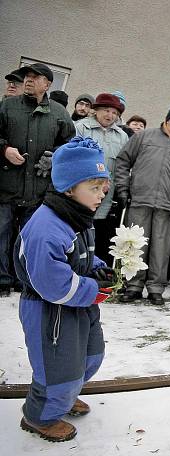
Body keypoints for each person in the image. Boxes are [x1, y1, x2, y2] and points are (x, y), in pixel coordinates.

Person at [15, 136, 115, 442]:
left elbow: (80, 255)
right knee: (58, 370)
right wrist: (94, 289)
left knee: (89, 356)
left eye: (103, 188)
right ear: (69, 187)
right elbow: (52, 283)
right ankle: (40, 416)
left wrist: (99, 269)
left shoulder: (77, 216)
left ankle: (65, 396)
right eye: (93, 188)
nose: (101, 196)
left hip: (78, 305)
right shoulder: (47, 227)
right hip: (51, 312)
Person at [0, 62, 75, 297]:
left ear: (48, 84)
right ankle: (2, 280)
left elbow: (70, 144)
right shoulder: (7, 107)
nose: (29, 80)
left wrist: (55, 157)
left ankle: (25, 280)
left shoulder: (59, 112)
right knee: (1, 233)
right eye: (26, 77)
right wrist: (4, 150)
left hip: (39, 190)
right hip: (7, 185)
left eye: (35, 77)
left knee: (31, 237)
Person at [114, 104, 170, 305]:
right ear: (167, 119)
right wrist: (123, 189)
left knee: (160, 250)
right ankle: (132, 286)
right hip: (139, 200)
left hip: (167, 207)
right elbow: (123, 161)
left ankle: (155, 288)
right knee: (134, 246)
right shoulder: (144, 137)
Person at [74, 93, 129, 265]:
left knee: (98, 231)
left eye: (114, 112)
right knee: (77, 228)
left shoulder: (122, 136)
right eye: (106, 110)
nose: (110, 115)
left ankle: (94, 267)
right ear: (95, 110)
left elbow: (122, 165)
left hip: (106, 194)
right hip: (81, 190)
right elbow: (73, 157)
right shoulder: (80, 127)